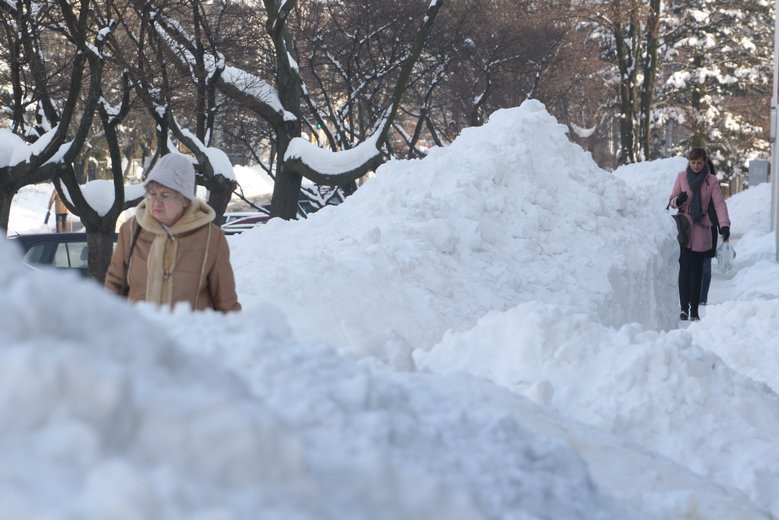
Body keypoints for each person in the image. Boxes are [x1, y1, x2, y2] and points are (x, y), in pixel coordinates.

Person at [105, 153, 241, 312]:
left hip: (188, 335)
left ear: (185, 199)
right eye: (152, 194)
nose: (156, 202)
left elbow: (226, 304)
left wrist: (231, 334)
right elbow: (113, 286)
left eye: (165, 195)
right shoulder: (131, 230)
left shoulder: (211, 238)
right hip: (139, 334)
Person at [668, 148, 730, 321]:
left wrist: (724, 225)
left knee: (697, 271)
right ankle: (683, 308)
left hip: (702, 229)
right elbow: (671, 201)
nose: (696, 166)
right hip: (685, 230)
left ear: (705, 162)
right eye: (693, 162)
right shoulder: (682, 177)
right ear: (689, 162)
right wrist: (677, 201)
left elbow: (719, 205)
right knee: (684, 269)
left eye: (699, 162)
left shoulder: (711, 181)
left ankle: (694, 310)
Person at [699, 159, 719, 306]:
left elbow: (719, 207)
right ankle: (694, 296)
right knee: (694, 264)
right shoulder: (689, 182)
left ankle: (702, 298)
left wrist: (723, 226)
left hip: (710, 227)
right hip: (692, 228)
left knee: (705, 264)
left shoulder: (713, 185)